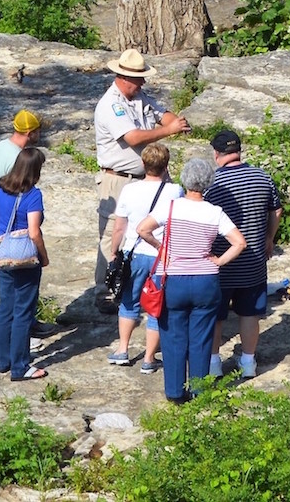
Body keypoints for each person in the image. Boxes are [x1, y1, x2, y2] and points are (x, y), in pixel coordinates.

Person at [139, 156, 244, 402]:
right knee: (201, 337)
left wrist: (160, 246)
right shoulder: (215, 212)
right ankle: (198, 389)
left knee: (173, 336)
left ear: (185, 180)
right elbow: (239, 242)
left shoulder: (171, 207)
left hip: (173, 278)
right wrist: (219, 261)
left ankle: (175, 392)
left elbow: (142, 229)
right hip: (205, 280)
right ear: (208, 183)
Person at [94, 51, 186, 298]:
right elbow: (132, 137)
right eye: (139, 78)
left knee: (153, 227)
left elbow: (160, 112)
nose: (143, 83)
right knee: (115, 231)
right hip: (119, 178)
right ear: (124, 77)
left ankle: (147, 282)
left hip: (146, 177)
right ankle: (105, 290)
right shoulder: (110, 104)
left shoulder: (138, 96)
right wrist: (169, 130)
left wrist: (175, 121)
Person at [0, 145, 49, 382]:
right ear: (35, 170)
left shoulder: (0, 186)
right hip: (25, 258)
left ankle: (3, 361)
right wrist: (43, 256)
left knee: (5, 308)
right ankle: (20, 366)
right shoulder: (33, 195)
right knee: (23, 311)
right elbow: (34, 232)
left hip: (3, 254)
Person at [204, 127, 279, 379]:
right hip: (254, 259)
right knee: (249, 313)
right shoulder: (262, 177)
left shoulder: (213, 184)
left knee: (216, 316)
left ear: (217, 153)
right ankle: (248, 362)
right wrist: (268, 238)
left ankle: (213, 364)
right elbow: (276, 211)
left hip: (221, 262)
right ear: (238, 151)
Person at [104, 142, 174, 368]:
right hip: (161, 254)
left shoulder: (130, 190)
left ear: (142, 164)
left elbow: (119, 227)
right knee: (156, 306)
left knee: (128, 301)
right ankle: (149, 358)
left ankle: (123, 349)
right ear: (166, 166)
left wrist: (114, 251)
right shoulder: (175, 190)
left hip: (134, 251)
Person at [0, 109, 42, 181]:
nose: (40, 134)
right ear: (30, 133)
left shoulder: (1, 145)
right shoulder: (19, 159)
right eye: (39, 131)